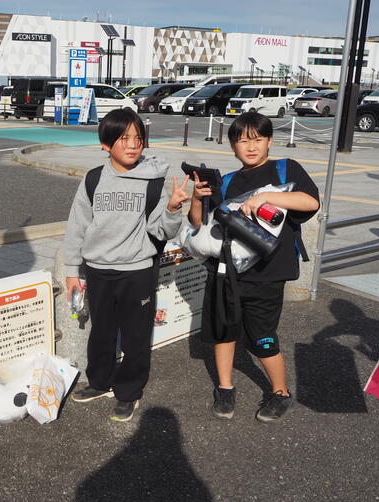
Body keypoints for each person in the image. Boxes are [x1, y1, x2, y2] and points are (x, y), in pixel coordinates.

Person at [188, 111, 320, 422]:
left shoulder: (286, 168)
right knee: (224, 330)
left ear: (269, 141)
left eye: (257, 139)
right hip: (226, 270)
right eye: (242, 141)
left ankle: (281, 392)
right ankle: (225, 388)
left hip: (268, 273)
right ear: (232, 146)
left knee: (262, 336)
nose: (250, 146)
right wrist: (195, 198)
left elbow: (311, 203)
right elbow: (200, 223)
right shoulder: (228, 181)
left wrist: (269, 196)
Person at [62, 108, 190, 422]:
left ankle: (129, 392)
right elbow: (77, 226)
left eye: (138, 138)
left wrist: (173, 209)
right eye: (123, 138)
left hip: (137, 271)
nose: (133, 144)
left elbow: (162, 231)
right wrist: (71, 271)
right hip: (98, 270)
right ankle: (100, 382)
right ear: (106, 144)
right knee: (101, 331)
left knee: (135, 337)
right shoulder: (93, 179)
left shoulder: (154, 181)